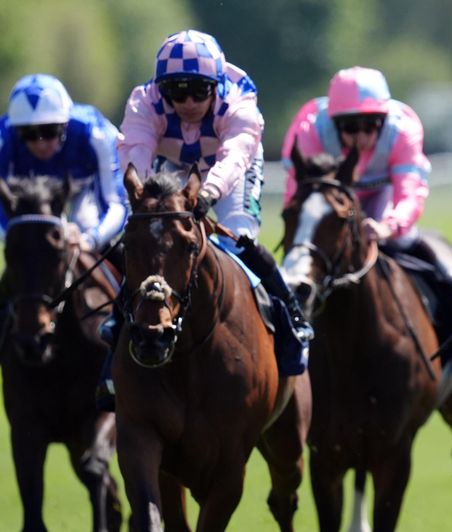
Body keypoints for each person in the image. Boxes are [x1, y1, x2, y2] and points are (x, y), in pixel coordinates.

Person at [97, 30, 313, 409]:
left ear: (216, 87)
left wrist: (208, 194)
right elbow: (136, 150)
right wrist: (145, 199)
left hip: (230, 171)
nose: (188, 102)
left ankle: (290, 318)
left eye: (199, 91)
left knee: (239, 239)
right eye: (176, 92)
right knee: (148, 243)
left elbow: (235, 155)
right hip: (170, 170)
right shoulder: (143, 102)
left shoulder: (240, 101)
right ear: (161, 90)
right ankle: (119, 327)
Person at [281, 66, 452, 363]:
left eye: (372, 125)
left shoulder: (402, 132)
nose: (362, 136)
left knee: (403, 241)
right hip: (333, 207)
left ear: (384, 121)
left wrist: (389, 226)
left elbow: (409, 192)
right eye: (351, 127)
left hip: (380, 200)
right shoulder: (310, 130)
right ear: (334, 123)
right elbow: (298, 196)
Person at [0, 73, 127, 255]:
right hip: (32, 199)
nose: (40, 143)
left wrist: (90, 240)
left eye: (49, 131)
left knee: (85, 222)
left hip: (84, 192)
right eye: (29, 134)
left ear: (65, 125)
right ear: (15, 130)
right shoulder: (3, 140)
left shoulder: (95, 134)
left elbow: (116, 204)